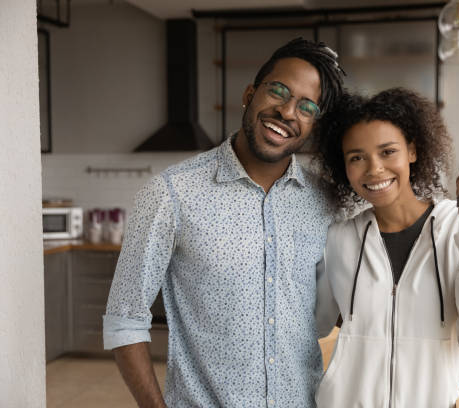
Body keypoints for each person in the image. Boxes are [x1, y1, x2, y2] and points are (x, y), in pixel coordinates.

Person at [103, 38, 345, 407]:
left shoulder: (325, 202)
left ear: (313, 125)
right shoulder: (170, 194)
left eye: (307, 107)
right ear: (250, 94)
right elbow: (124, 321)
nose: (287, 111)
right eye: (278, 91)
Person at [314, 88, 459, 407]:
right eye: (357, 157)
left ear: (412, 150)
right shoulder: (338, 238)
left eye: (387, 152)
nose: (374, 169)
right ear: (344, 166)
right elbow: (314, 321)